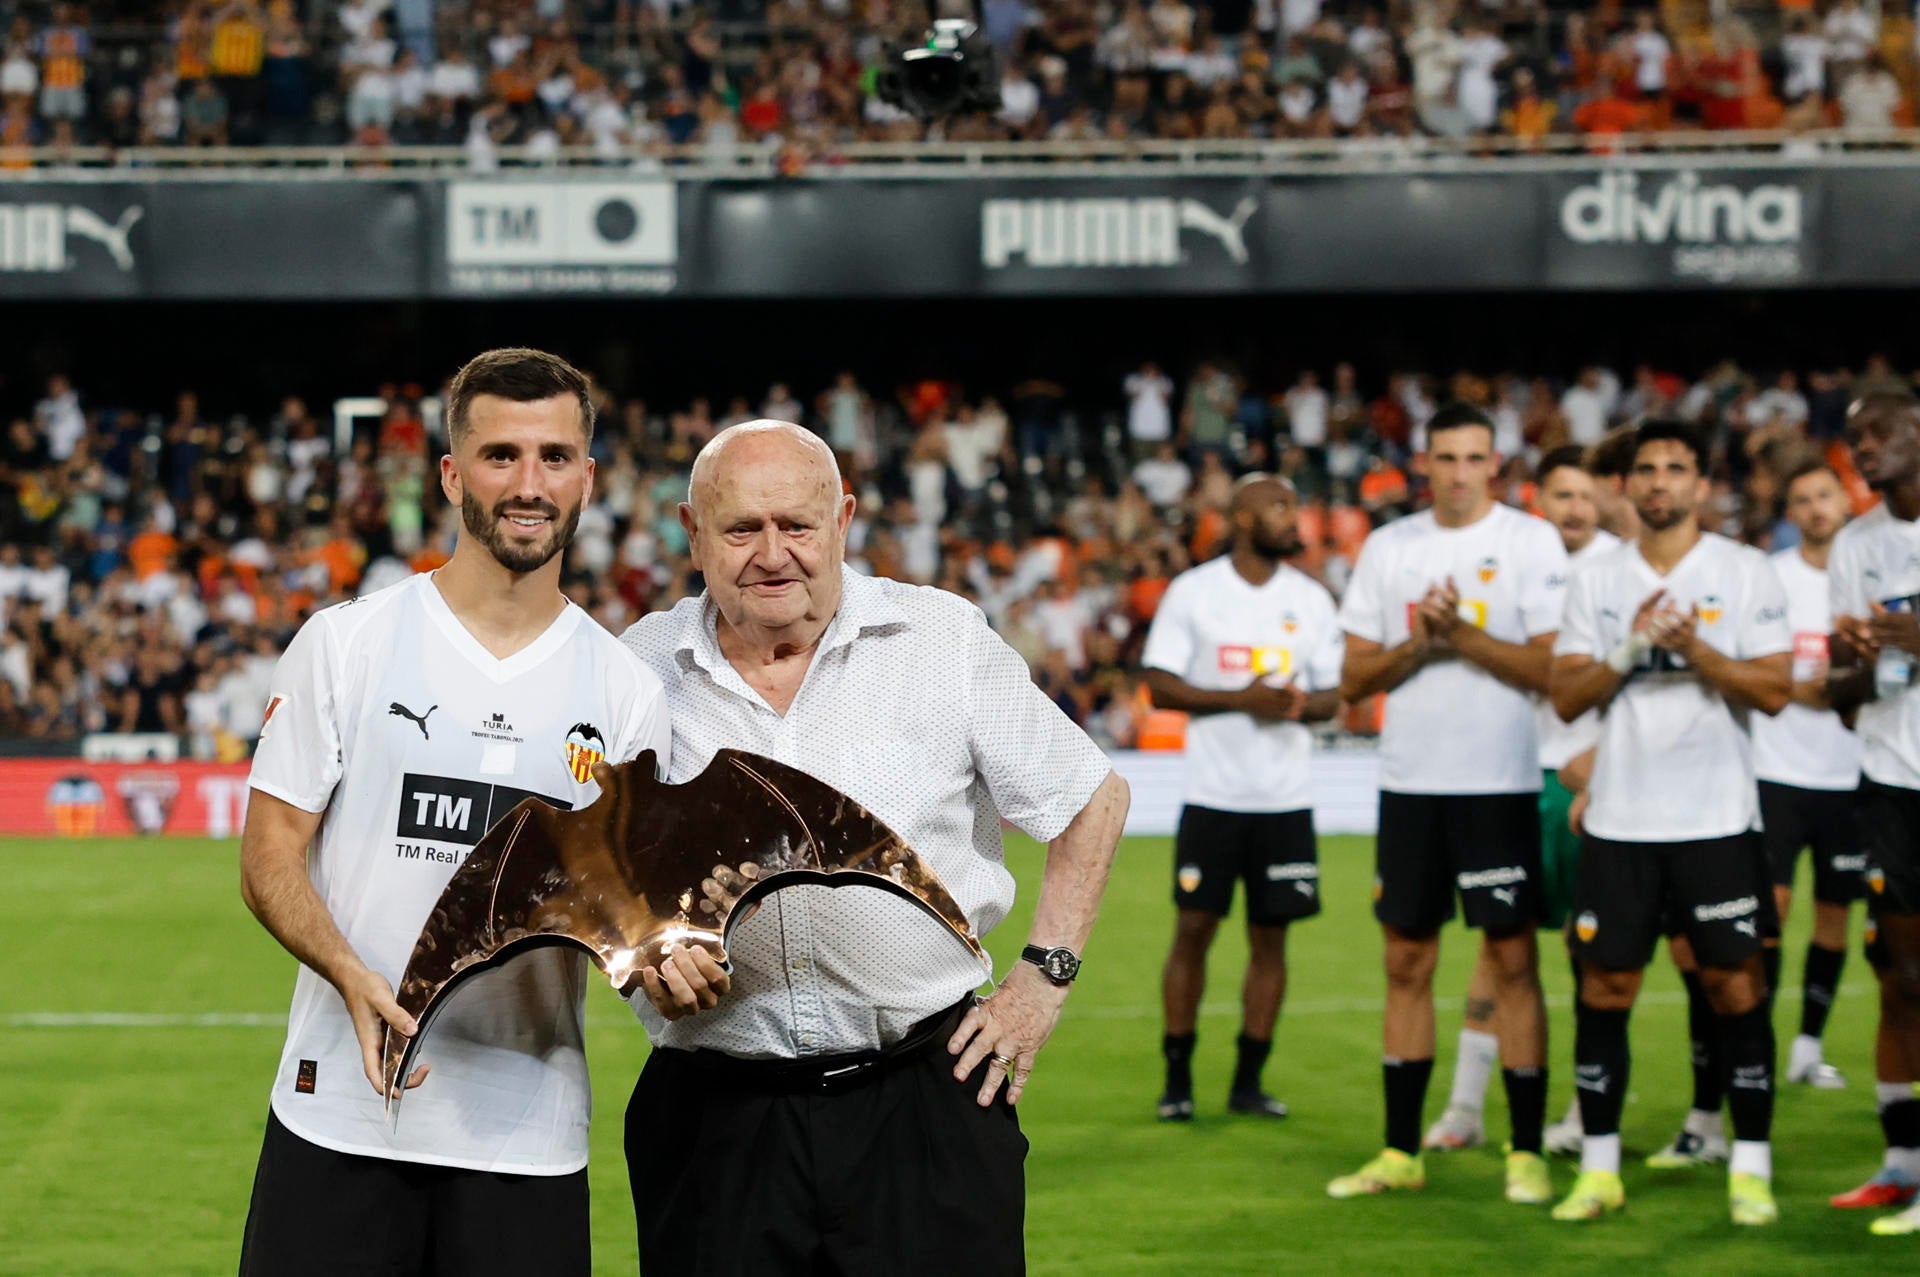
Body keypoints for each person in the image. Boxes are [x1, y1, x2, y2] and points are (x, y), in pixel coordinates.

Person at [618, 420, 1130, 1273]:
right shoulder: (635, 670)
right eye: (742, 528)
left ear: (844, 518)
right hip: (715, 1115)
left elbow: (1092, 797)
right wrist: (643, 950)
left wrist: (1043, 981)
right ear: (693, 531)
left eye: (798, 525)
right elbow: (592, 867)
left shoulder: (941, 642)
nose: (772, 552)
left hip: (926, 1098)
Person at [235, 349, 686, 1276]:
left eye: (555, 457)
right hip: (339, 1116)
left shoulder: (628, 691)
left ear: (588, 477)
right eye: (501, 455)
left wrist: (663, 962)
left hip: (525, 1135)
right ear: (451, 472)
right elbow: (270, 855)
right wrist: (347, 971)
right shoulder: (346, 644)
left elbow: (623, 913)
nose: (529, 483)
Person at [1548, 421, 1791, 1227]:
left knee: (1733, 984)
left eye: (1675, 468)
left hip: (1717, 819)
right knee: (1605, 986)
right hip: (1620, 821)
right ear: (1628, 486)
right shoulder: (1597, 578)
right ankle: (1600, 1167)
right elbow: (1568, 694)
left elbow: (1775, 688)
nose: (1658, 482)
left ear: (1700, 482)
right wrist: (1629, 647)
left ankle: (1750, 1166)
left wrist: (1695, 649)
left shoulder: (1745, 571)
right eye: (1645, 469)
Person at [1328, 402, 1569, 1207]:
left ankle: (1526, 1149)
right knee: (1406, 961)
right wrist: (1421, 643)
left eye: (1475, 458)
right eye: (1446, 457)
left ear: (1494, 466)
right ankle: (1401, 1149)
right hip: (1411, 784)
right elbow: (1354, 680)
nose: (1460, 473)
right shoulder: (1391, 548)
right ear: (1422, 464)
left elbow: (1550, 669)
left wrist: (1458, 634)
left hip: (1499, 782)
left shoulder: (1529, 541)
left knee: (1512, 962)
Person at [1425, 445, 1619, 1153]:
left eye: (1583, 496)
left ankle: (1580, 1109)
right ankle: (1467, 1108)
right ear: (1539, 499)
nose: (1572, 509)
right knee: (1497, 943)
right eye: (1560, 495)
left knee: (1587, 948)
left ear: (1602, 500)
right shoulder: (1512, 565)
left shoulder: (1620, 575)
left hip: (1583, 778)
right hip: (1510, 774)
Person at [1142, 474, 1344, 1122]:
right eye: (1280, 507)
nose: (1294, 519)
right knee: (1193, 930)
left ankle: (1248, 1081)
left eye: (1295, 505)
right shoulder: (1196, 592)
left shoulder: (1311, 600)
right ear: (1240, 517)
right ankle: (1178, 1077)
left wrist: (1294, 703)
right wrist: (1242, 699)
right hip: (1214, 797)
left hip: (1286, 800)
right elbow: (1160, 685)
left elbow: (1333, 697)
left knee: (1271, 940)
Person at [1826, 393, 1920, 1233]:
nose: (1865, 447)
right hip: (1891, 781)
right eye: (1856, 438)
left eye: (1881, 432)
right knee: (1898, 974)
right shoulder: (1855, 547)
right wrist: (1854, 661)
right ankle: (1901, 1163)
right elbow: (1840, 697)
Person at [1750, 459, 1863, 1091]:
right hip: (1778, 769)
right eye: (1803, 499)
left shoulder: (1868, 578)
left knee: (1833, 918)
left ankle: (1807, 1046)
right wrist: (1805, 688)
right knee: (1772, 913)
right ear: (1790, 512)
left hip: (1850, 774)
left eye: (1825, 495)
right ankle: (1758, 1047)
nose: (1817, 507)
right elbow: (1750, 664)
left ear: (1845, 500)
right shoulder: (1772, 578)